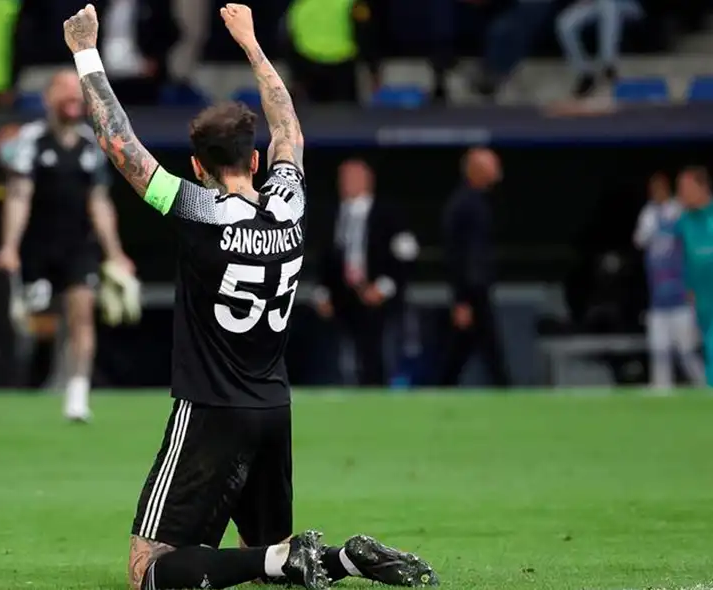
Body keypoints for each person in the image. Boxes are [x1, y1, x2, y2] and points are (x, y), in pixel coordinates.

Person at [62, 4, 438, 590]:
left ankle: (290, 559)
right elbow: (289, 126)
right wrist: (252, 43)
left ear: (196, 165)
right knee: (265, 555)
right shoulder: (289, 202)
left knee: (149, 572)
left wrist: (86, 50)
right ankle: (344, 558)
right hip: (273, 407)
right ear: (256, 160)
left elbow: (121, 146)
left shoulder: (197, 210)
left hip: (212, 409)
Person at [0, 70, 134, 421]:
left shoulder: (91, 145)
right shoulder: (32, 140)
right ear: (49, 98)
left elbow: (99, 203)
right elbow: (18, 196)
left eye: (77, 94)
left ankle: (76, 393)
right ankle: (24, 383)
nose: (73, 99)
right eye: (65, 92)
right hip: (38, 249)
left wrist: (115, 253)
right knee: (35, 325)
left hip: (77, 246)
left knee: (82, 315)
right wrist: (9, 246)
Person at [316, 159, 419, 386]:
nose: (345, 184)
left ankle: (380, 390)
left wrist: (384, 287)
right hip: (343, 296)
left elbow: (407, 253)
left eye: (351, 178)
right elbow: (325, 256)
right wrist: (323, 291)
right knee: (344, 352)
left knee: (377, 351)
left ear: (366, 181)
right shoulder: (334, 214)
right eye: (342, 179)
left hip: (378, 297)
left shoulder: (388, 214)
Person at [439, 148, 511, 387]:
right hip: (473, 290)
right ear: (476, 171)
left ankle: (440, 389)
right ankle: (506, 392)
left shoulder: (475, 202)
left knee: (463, 350)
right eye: (492, 166)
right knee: (487, 350)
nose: (497, 173)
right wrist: (462, 299)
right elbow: (461, 254)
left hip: (474, 288)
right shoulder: (467, 205)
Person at [633, 172, 705, 390]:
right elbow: (639, 240)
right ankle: (661, 390)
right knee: (658, 350)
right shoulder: (648, 214)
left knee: (686, 351)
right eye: (653, 190)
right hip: (658, 300)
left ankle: (707, 387)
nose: (657, 194)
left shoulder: (678, 210)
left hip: (681, 298)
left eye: (660, 189)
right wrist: (654, 227)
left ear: (667, 189)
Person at [674, 167, 713, 388]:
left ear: (703, 188)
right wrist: (688, 286)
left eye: (685, 188)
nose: (681, 193)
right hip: (702, 298)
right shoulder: (683, 220)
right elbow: (685, 257)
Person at [556, 0, 644, 98]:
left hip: (626, 5)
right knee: (565, 24)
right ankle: (586, 72)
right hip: (596, 4)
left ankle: (608, 64)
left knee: (609, 6)